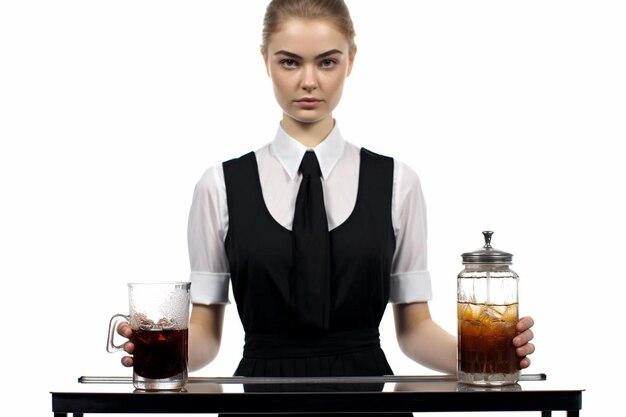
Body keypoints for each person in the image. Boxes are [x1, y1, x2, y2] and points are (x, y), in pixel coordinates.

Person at [118, 0, 535, 401]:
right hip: (260, 399)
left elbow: (414, 331)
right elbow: (206, 334)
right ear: (265, 60)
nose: (309, 81)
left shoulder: (398, 182)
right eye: (289, 61)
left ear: (351, 61)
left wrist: (490, 354)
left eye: (327, 61)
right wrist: (159, 354)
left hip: (370, 398)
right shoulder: (219, 185)